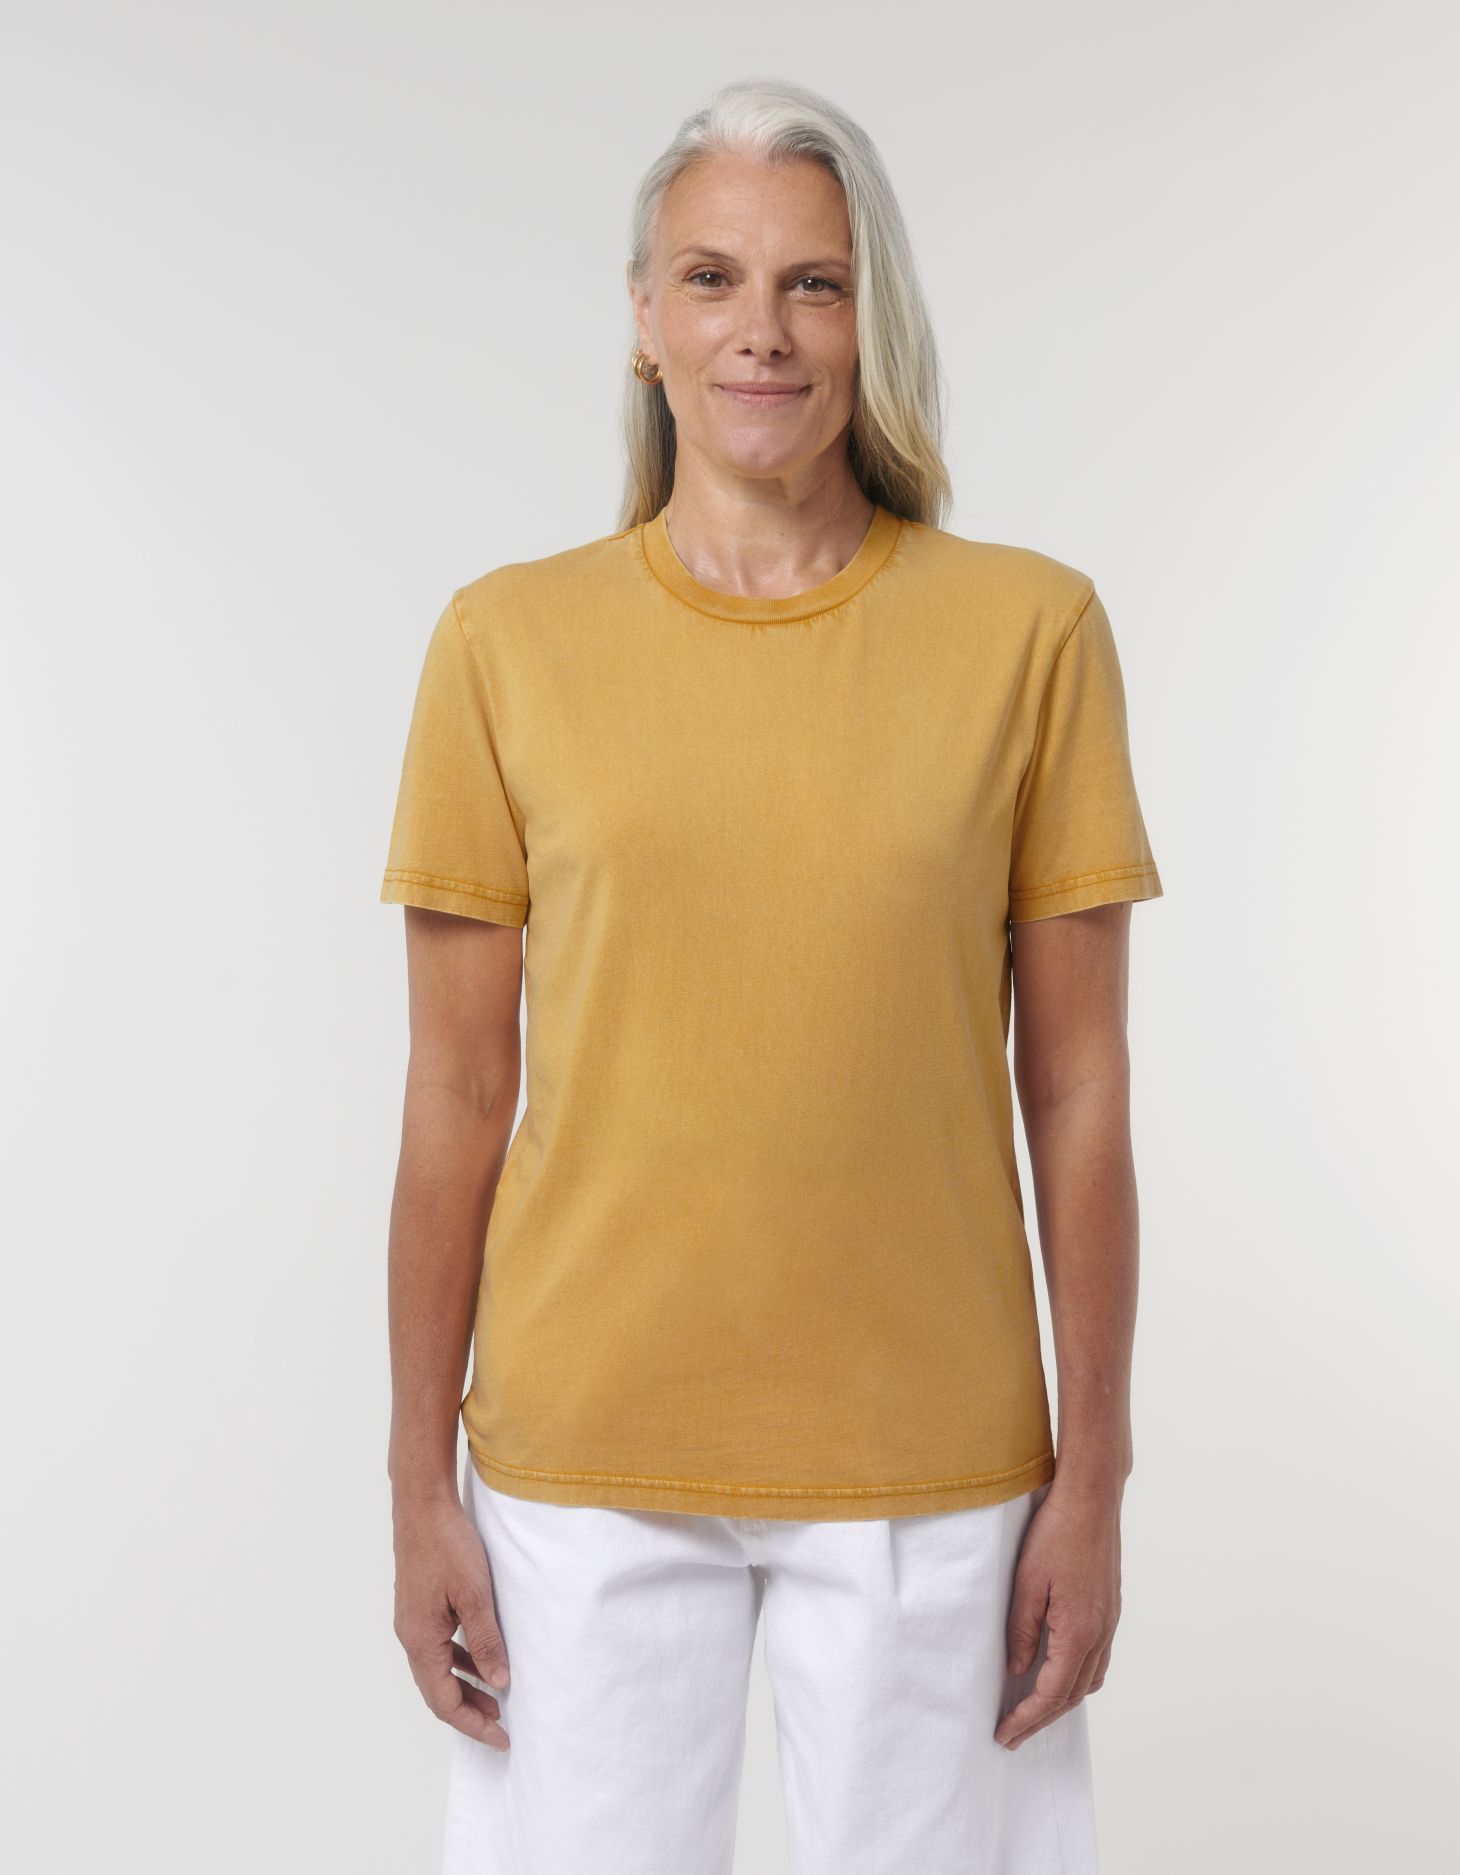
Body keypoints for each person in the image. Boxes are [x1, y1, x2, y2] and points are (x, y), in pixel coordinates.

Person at [380, 76, 1163, 1875]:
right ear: (644, 319)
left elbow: (1080, 1089)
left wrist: (1096, 1474)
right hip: (580, 1459)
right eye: (713, 278)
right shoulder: (506, 643)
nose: (764, 330)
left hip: (934, 1466)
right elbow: (456, 1093)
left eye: (816, 283)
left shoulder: (1028, 633)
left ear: (872, 317)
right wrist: (417, 1481)